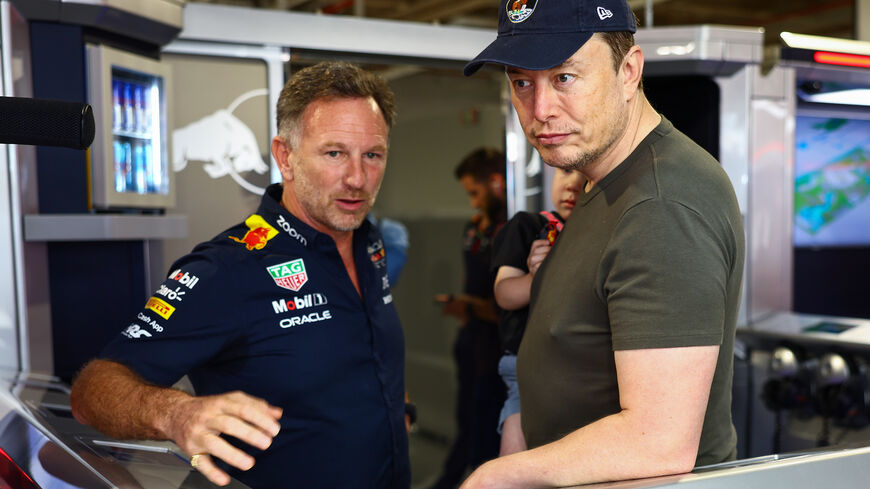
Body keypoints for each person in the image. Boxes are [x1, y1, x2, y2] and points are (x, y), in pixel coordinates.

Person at [69, 61, 411, 489]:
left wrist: (386, 406)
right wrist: (176, 414)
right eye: (334, 153)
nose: (357, 178)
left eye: (372, 155)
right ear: (286, 157)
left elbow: (351, 364)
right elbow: (92, 390)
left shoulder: (370, 243)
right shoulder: (228, 268)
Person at [459, 0, 746, 487]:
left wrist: (496, 477)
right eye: (522, 82)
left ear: (629, 70)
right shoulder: (602, 180)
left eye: (565, 77)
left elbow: (657, 440)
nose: (541, 110)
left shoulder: (660, 204)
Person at [490, 167, 584, 456]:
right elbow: (504, 293)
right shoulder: (528, 226)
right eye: (566, 171)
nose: (572, 185)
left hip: (579, 369)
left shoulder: (598, 233)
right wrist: (534, 279)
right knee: (516, 454)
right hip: (527, 367)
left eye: (585, 177)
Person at [431, 147, 507, 489]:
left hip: (498, 350)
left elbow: (505, 304)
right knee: (467, 423)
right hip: (471, 342)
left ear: (496, 182)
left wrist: (471, 307)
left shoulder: (511, 231)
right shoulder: (474, 229)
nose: (473, 203)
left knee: (486, 432)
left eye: (475, 194)